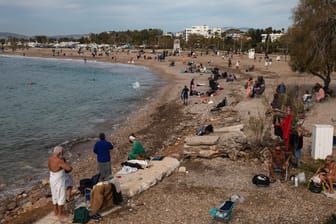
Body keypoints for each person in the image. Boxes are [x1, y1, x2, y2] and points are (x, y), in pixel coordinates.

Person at [48, 146, 72, 219]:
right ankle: (60, 214)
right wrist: (68, 166)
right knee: (61, 196)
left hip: (52, 178)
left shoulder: (50, 159)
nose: (63, 153)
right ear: (60, 152)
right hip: (59, 180)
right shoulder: (59, 160)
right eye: (63, 152)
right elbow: (69, 169)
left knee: (54, 195)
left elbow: (50, 167)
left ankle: (56, 211)